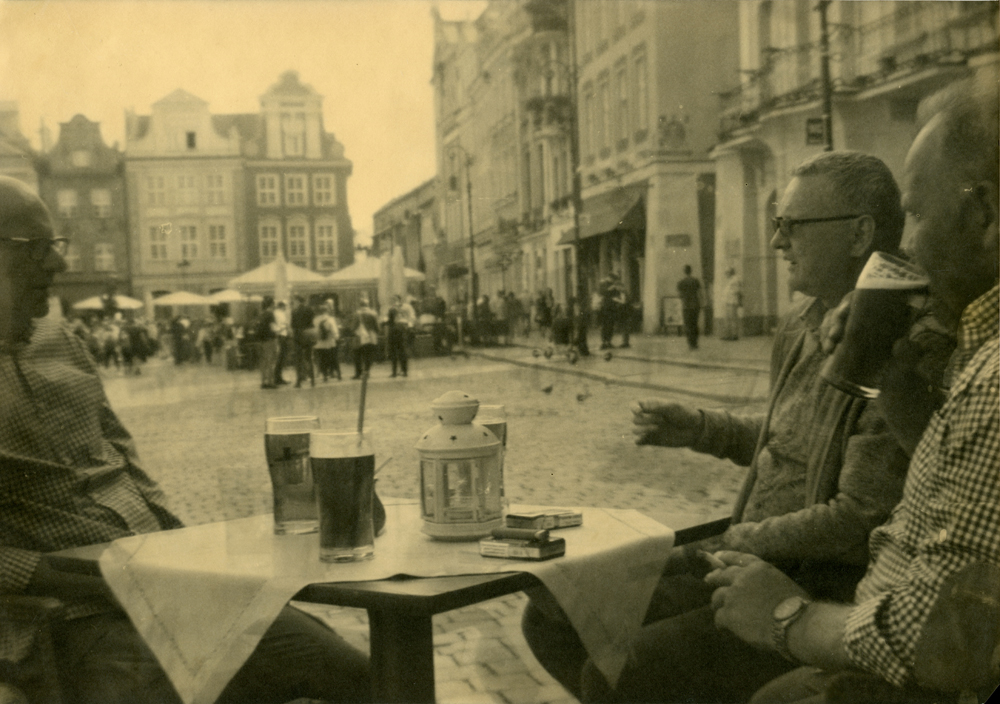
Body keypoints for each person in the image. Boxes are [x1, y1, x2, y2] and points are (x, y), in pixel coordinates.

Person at [522, 151, 913, 703]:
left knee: (620, 671)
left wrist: (721, 544)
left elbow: (857, 517)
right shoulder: (803, 323)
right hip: (745, 558)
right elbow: (792, 441)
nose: (778, 242)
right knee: (550, 616)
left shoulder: (887, 343)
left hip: (811, 583)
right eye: (777, 224)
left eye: (791, 225)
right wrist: (702, 428)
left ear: (858, 234)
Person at [0, 176, 372, 704]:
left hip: (174, 586)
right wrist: (69, 576)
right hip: (75, 618)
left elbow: (122, 453)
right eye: (36, 250)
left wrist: (181, 548)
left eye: (55, 246)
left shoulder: (60, 339)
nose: (59, 266)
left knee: (360, 674)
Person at [706, 72, 999, 704]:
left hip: (857, 618)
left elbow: (942, 641)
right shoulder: (966, 350)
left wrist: (788, 616)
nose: (909, 243)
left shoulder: (990, 377)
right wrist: (893, 383)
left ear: (983, 216)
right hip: (855, 602)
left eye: (918, 214)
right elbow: (951, 476)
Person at [290, 295, 316, 388]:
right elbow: (312, 322)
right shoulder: (310, 310)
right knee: (309, 358)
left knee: (299, 359)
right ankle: (312, 380)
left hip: (298, 336)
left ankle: (298, 381)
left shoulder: (294, 312)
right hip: (308, 335)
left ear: (297, 301)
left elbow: (293, 325)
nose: (294, 303)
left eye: (294, 301)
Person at [313, 299, 341, 382]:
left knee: (322, 360)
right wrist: (336, 337)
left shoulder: (315, 320)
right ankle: (338, 374)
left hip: (319, 343)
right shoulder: (330, 319)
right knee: (334, 359)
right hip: (330, 343)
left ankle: (325, 376)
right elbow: (334, 331)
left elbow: (315, 331)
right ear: (326, 311)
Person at [351, 295, 378, 379]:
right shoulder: (373, 313)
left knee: (357, 355)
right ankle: (367, 372)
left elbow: (353, 327)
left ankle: (358, 373)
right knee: (368, 355)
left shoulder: (357, 314)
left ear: (360, 305)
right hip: (370, 336)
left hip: (359, 337)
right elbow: (377, 327)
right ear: (368, 305)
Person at [677, 264, 703, 350]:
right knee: (695, 324)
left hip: (686, 306)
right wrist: (701, 303)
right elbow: (700, 293)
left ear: (684, 271)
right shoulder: (696, 281)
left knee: (688, 325)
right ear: (691, 271)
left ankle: (690, 344)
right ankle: (695, 343)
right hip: (695, 305)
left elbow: (679, 295)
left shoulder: (681, 282)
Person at [255, 296, 278, 389]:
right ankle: (270, 382)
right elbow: (273, 327)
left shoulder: (261, 314)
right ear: (271, 304)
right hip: (269, 340)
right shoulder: (270, 314)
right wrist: (279, 330)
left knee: (263, 362)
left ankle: (263, 381)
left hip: (261, 341)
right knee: (271, 361)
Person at [721, 266, 743, 341]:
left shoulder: (735, 280)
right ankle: (728, 334)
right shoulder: (730, 280)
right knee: (727, 318)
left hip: (732, 302)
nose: (726, 274)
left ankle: (734, 335)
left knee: (733, 318)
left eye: (727, 272)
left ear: (730, 273)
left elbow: (737, 291)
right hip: (728, 301)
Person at [385, 307, 408, 378]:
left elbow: (388, 333)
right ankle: (404, 371)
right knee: (402, 355)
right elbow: (405, 331)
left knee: (394, 356)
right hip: (400, 340)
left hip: (392, 340)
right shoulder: (401, 321)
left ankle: (394, 372)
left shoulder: (389, 323)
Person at [272, 300, 290, 385]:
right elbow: (279, 325)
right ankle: (277, 377)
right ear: (281, 306)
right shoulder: (277, 313)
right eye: (284, 306)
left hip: (283, 335)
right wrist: (283, 327)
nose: (285, 308)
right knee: (280, 358)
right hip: (280, 336)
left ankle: (279, 377)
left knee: (282, 358)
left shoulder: (281, 313)